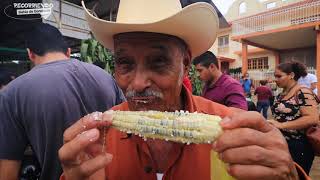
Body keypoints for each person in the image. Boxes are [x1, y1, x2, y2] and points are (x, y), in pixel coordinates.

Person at [58, 1, 309, 179]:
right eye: (125, 63)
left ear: (186, 64)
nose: (136, 83)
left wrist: (288, 175)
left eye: (158, 62)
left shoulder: (231, 127)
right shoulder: (98, 139)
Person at [0, 23, 125, 180]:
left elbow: (7, 173)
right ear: (68, 51)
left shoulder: (12, 93)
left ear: (30, 54)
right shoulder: (105, 77)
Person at [269, 61, 319, 174]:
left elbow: (312, 118)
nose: (275, 79)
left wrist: (281, 125)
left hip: (299, 146)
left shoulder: (303, 91)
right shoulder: (281, 94)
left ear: (291, 75)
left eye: (279, 76)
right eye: (275, 76)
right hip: (282, 145)